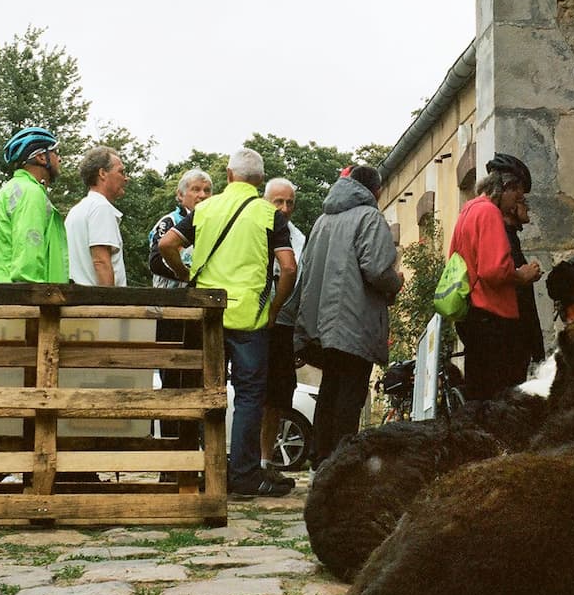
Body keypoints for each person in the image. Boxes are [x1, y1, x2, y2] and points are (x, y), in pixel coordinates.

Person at [157, 148, 297, 497]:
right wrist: (274, 309)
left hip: (209, 314)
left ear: (229, 175)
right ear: (260, 181)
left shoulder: (205, 209)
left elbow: (167, 243)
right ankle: (244, 475)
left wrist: (184, 273)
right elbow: (289, 267)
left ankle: (203, 468)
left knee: (206, 392)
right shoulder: (269, 214)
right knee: (250, 396)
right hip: (250, 318)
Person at [293, 166, 402, 468]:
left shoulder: (323, 220)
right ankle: (342, 462)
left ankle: (320, 456)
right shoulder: (369, 217)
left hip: (321, 322)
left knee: (330, 387)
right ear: (376, 190)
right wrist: (398, 281)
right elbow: (378, 269)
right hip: (355, 321)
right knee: (350, 393)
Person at [448, 153, 542, 401]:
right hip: (493, 317)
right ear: (507, 187)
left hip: (471, 314)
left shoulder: (468, 209)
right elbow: (494, 269)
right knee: (500, 397)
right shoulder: (489, 212)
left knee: (478, 393)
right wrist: (521, 275)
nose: (515, 204)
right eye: (517, 196)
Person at [147, 169, 213, 442]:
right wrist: (188, 275)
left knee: (197, 382)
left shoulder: (212, 221)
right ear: (180, 194)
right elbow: (155, 260)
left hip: (199, 315)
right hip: (169, 312)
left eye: (207, 190)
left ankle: (192, 449)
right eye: (196, 189)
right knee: (172, 380)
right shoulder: (169, 222)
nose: (201, 195)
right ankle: (171, 454)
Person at [0, 127, 68, 283]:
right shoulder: (30, 193)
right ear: (41, 157)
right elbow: (28, 262)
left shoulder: (12, 190)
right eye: (56, 152)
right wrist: (34, 302)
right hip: (20, 301)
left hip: (1, 297)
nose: (59, 159)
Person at [260, 178, 304, 485]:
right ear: (266, 201)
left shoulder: (299, 237)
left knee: (278, 395)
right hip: (253, 322)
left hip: (285, 325)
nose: (284, 208)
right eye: (279, 202)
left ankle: (265, 459)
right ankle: (245, 459)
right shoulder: (252, 227)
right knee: (251, 392)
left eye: (289, 202)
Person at [65, 146, 129, 287]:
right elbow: (101, 262)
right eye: (121, 172)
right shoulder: (101, 207)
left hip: (79, 298)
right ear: (102, 173)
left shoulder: (77, 210)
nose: (126, 178)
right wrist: (109, 305)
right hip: (98, 303)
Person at [504, 189, 545, 367]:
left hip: (520, 334)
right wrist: (523, 275)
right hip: (515, 335)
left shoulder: (512, 236)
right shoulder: (505, 238)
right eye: (522, 201)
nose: (527, 207)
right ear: (513, 207)